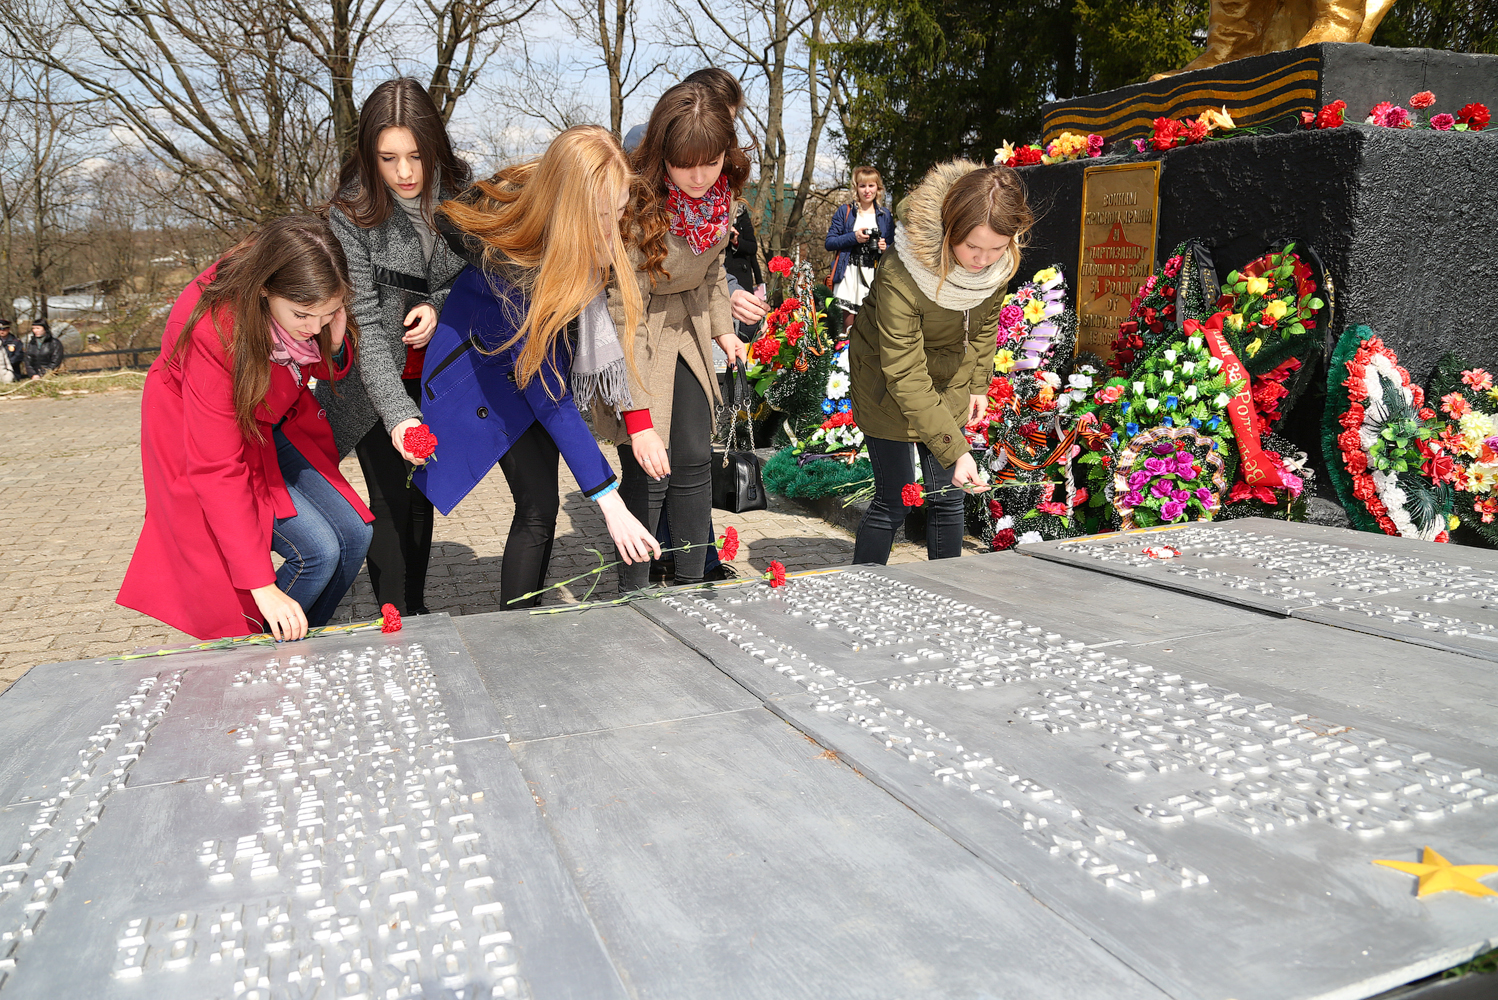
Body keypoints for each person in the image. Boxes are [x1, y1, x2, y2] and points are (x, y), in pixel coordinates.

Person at [414, 124, 661, 608]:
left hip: (529, 373)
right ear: (569, 206)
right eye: (600, 215)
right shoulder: (517, 271)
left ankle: (523, 619)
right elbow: (550, 397)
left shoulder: (564, 216)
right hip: (486, 381)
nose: (612, 229)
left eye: (618, 211)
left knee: (541, 505)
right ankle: (515, 626)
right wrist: (610, 501)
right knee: (537, 505)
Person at [117, 215, 374, 642]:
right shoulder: (214, 331)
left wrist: (332, 345)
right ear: (265, 290)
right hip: (206, 434)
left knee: (354, 533)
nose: (314, 327)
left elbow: (310, 363)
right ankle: (259, 654)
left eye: (329, 313)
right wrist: (261, 585)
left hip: (271, 421)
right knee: (318, 551)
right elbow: (217, 467)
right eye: (303, 315)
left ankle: (301, 645)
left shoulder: (304, 285)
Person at [318, 78, 471, 617]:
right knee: (388, 496)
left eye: (416, 156)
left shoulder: (459, 195)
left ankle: (416, 607)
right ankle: (393, 613)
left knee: (423, 490)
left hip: (435, 372)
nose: (404, 172)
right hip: (373, 376)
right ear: (369, 155)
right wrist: (399, 416)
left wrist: (438, 306)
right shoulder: (351, 211)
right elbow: (361, 319)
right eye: (388, 158)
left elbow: (472, 279)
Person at [600, 81, 751, 593]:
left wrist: (725, 332)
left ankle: (691, 582)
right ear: (663, 152)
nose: (700, 177)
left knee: (692, 457)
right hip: (639, 334)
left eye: (711, 163)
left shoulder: (721, 200)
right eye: (686, 165)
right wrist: (637, 417)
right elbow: (623, 313)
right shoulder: (635, 208)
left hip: (690, 329)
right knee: (649, 465)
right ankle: (635, 590)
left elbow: (713, 273)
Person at [848, 160, 1033, 566]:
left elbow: (984, 327)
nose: (983, 259)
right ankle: (863, 585)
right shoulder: (902, 271)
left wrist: (979, 383)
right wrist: (955, 450)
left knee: (949, 497)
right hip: (885, 380)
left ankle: (951, 586)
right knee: (895, 499)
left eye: (997, 248)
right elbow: (904, 371)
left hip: (948, 378)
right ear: (950, 230)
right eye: (972, 247)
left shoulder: (996, 268)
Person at [826, 166, 895, 333]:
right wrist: (854, 237)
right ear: (856, 187)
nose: (867, 191)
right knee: (846, 329)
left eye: (871, 185)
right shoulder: (846, 211)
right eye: (862, 186)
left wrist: (885, 248)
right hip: (848, 274)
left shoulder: (885, 215)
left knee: (869, 329)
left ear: (878, 188)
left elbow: (895, 250)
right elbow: (830, 242)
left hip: (873, 275)